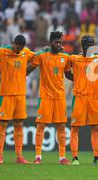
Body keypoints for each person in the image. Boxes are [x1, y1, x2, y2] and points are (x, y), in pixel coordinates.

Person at [26, 32, 73, 165]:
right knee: (41, 125)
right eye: (57, 42)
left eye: (61, 43)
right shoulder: (41, 56)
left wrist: (80, 80)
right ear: (51, 42)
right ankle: (38, 156)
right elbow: (28, 69)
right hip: (45, 97)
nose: (59, 45)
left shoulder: (65, 57)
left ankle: (62, 157)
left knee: (61, 126)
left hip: (59, 97)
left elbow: (69, 74)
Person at [0, 34, 35, 164]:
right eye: (17, 48)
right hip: (6, 95)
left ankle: (19, 156)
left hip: (21, 95)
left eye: (21, 48)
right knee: (2, 125)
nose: (19, 50)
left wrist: (27, 71)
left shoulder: (25, 52)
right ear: (13, 43)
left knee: (19, 125)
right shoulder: (1, 51)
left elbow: (37, 58)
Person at [68, 35, 98, 166]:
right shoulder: (74, 59)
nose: (89, 47)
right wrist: (78, 80)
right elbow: (65, 71)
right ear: (82, 45)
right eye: (86, 44)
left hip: (93, 99)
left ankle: (96, 159)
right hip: (79, 98)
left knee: (96, 128)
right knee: (75, 128)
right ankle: (75, 158)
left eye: (91, 44)